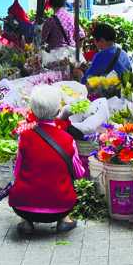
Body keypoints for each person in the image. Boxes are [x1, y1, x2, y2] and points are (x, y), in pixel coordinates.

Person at [9, 84, 85, 235]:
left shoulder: (25, 134)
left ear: (32, 111)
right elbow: (79, 173)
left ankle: (27, 223)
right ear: (58, 111)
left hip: (23, 207)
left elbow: (17, 172)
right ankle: (64, 221)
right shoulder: (67, 138)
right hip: (61, 207)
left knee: (24, 189)